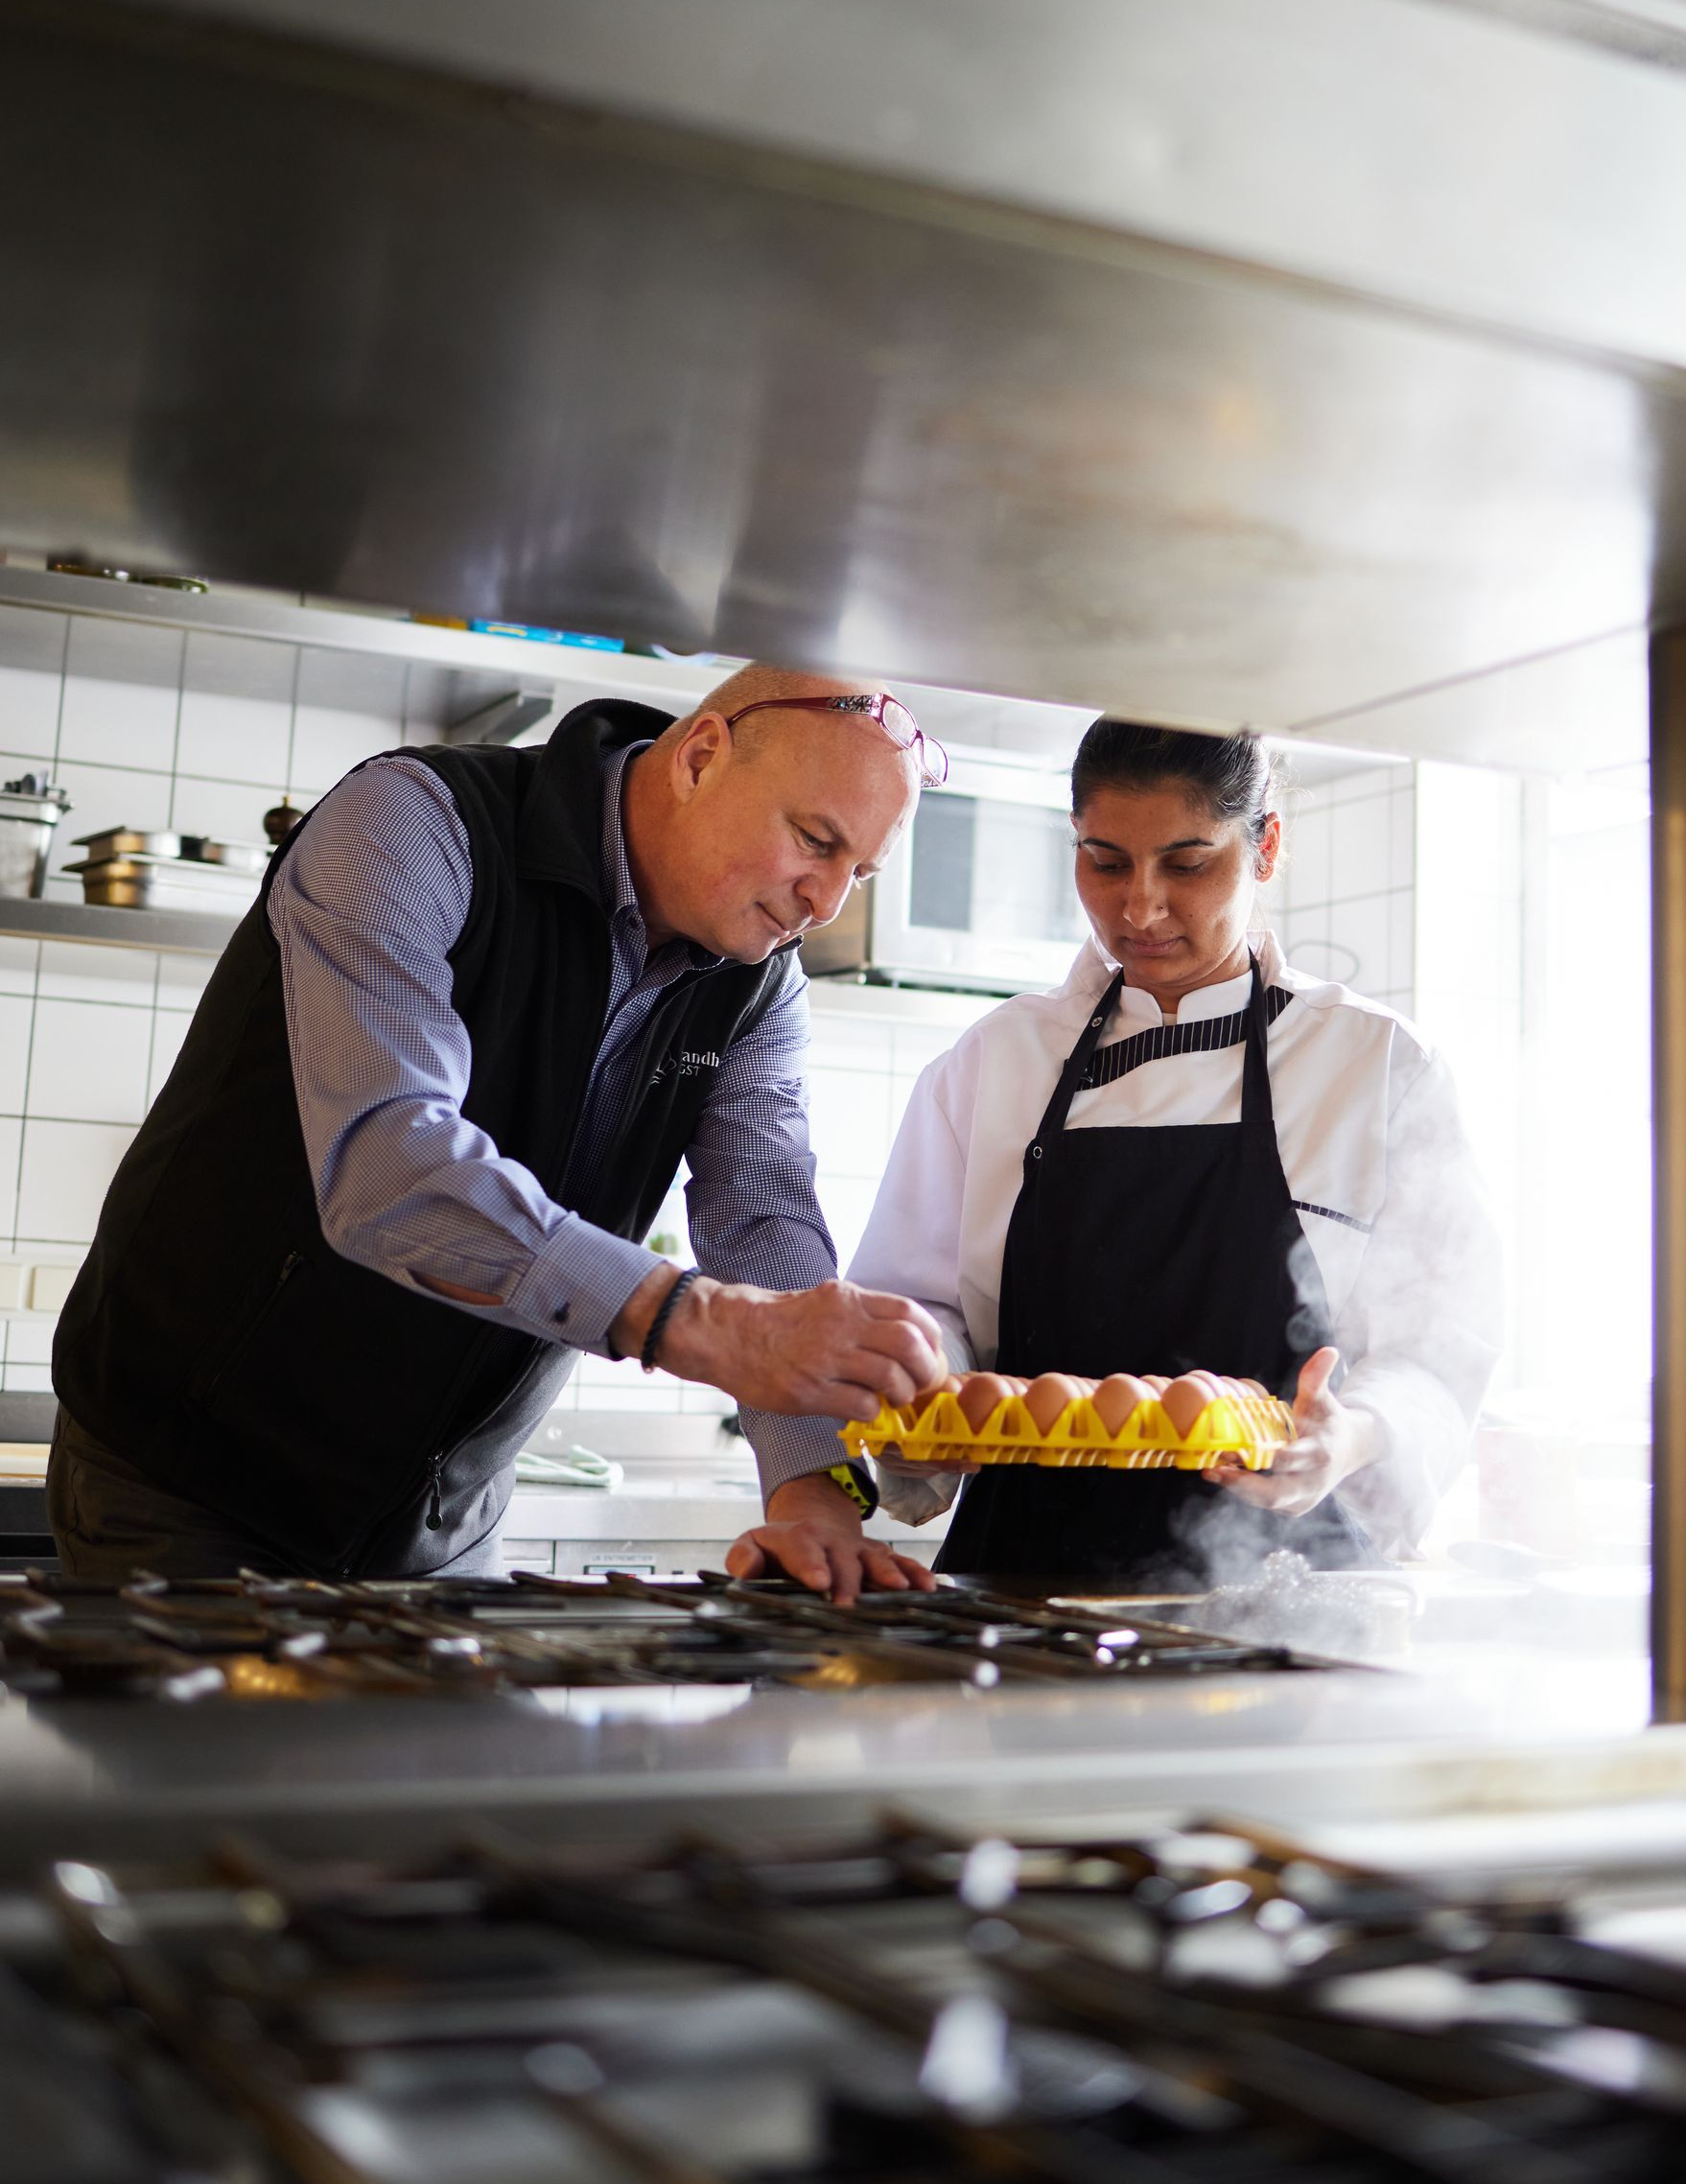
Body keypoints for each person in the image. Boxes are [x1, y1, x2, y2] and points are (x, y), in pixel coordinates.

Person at [49, 669, 951, 1591]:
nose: (828, 901)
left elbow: (762, 1216)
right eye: (815, 840)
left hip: (444, 1531)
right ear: (703, 756)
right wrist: (690, 1319)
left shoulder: (759, 981)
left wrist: (814, 1487)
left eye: (861, 872)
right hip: (190, 1488)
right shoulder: (410, 822)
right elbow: (387, 1160)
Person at [729, 719, 1500, 1590]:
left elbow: (1438, 1355)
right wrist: (926, 1377)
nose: (1140, 908)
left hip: (1287, 1594)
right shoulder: (995, 1062)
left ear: (1266, 846)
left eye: (1188, 862)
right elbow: (914, 1308)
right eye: (1105, 861)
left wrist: (1350, 1435)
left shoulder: (1375, 1065)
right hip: (1022, 1592)